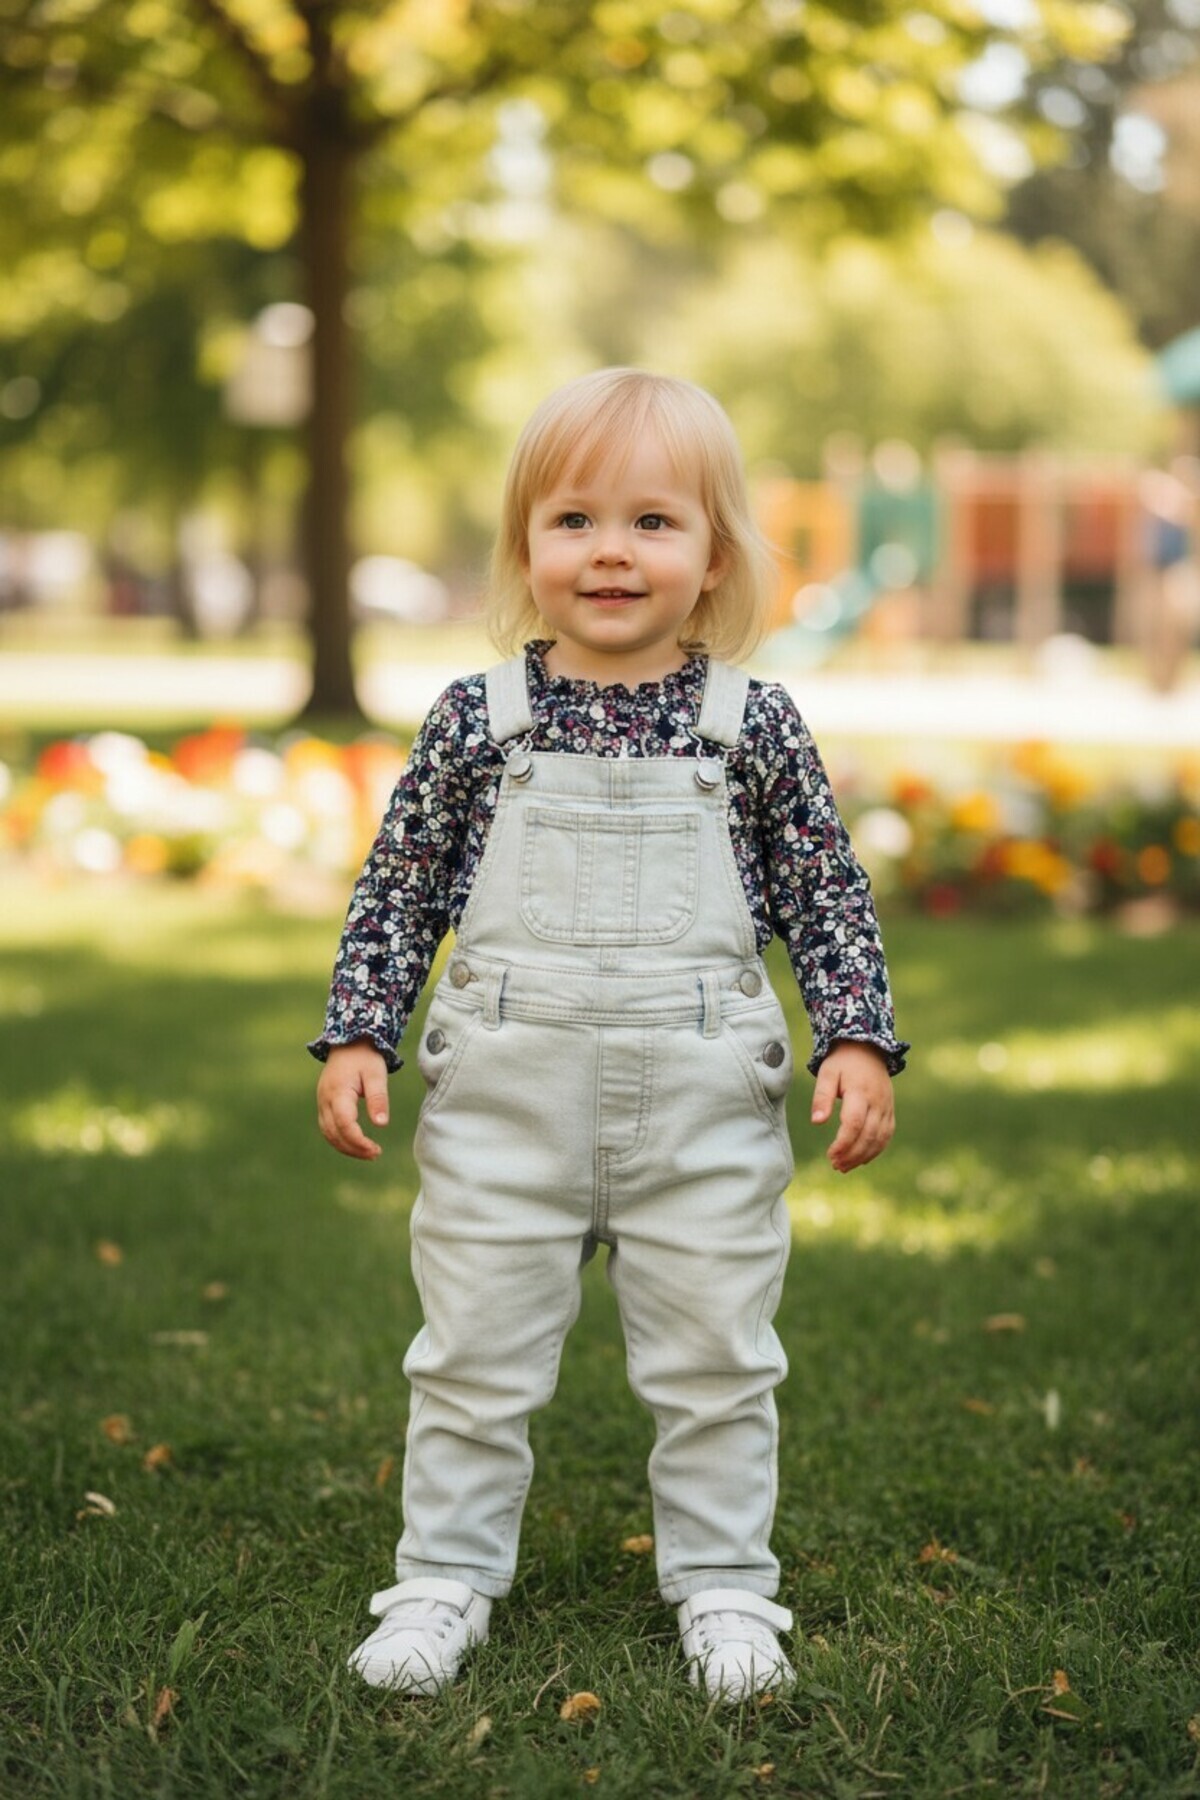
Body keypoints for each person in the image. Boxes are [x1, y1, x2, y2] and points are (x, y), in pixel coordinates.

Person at [311, 368, 908, 1702]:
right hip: (504, 1104)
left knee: (718, 1363)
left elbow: (824, 891)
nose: (611, 552)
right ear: (526, 545)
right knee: (470, 1358)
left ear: (714, 557)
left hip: (701, 1111)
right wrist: (358, 1030)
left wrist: (855, 1037)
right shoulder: (480, 721)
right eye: (574, 520)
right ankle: (442, 1578)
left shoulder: (752, 726)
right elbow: (402, 885)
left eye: (652, 521)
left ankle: (726, 1587)